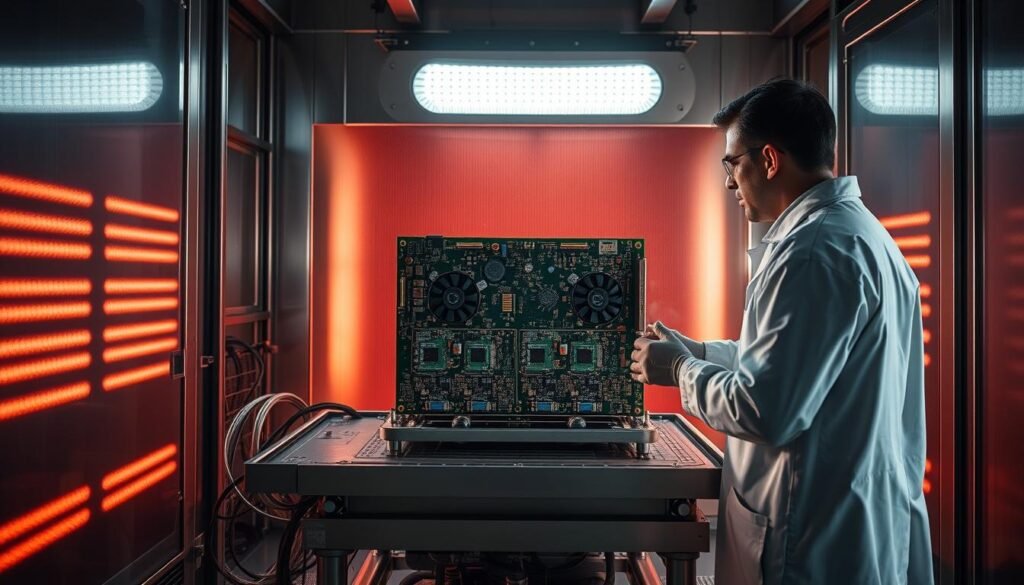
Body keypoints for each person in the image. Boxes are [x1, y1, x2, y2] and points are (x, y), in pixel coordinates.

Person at [629, 79, 934, 585]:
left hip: (811, 542)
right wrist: (702, 351)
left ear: (769, 159)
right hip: (848, 526)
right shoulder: (861, 235)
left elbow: (767, 409)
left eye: (732, 163)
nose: (728, 182)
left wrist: (680, 370)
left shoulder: (812, 252)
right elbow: (798, 365)